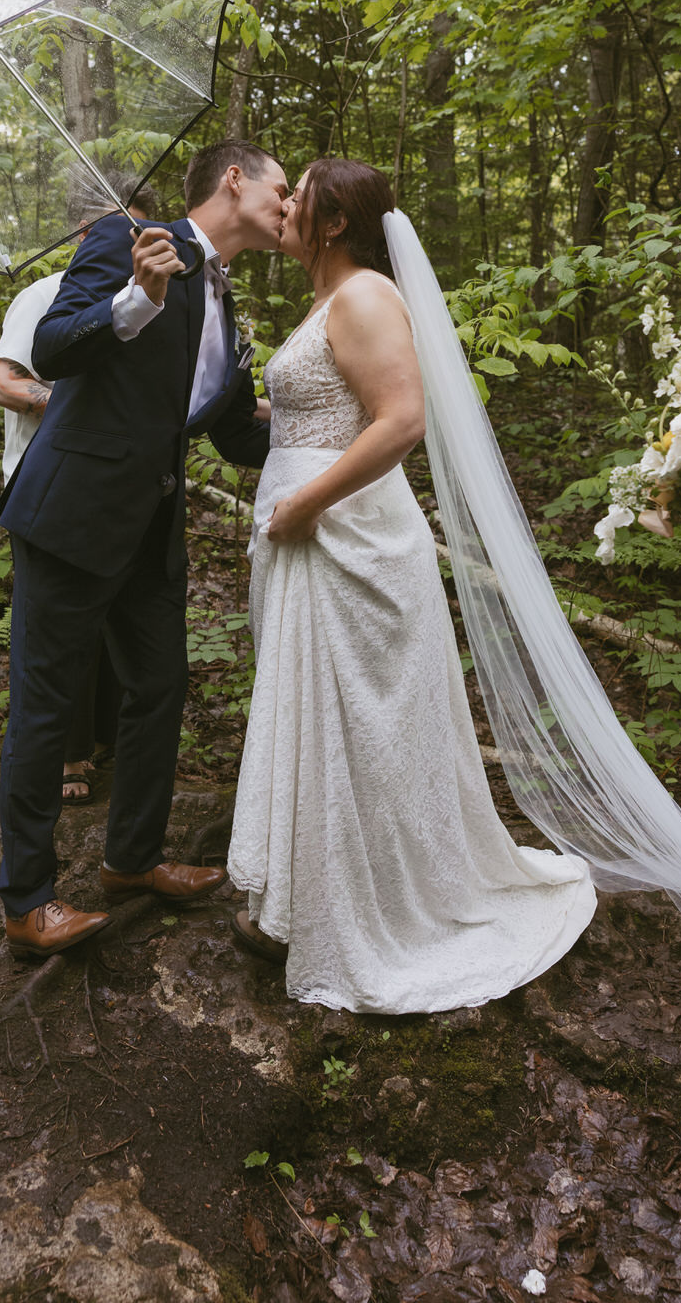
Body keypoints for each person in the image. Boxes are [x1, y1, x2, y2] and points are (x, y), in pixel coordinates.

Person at [227, 158, 597, 1011]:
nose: (283, 204)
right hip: (312, 534)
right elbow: (324, 409)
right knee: (317, 714)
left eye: (300, 194)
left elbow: (399, 420)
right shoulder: (324, 302)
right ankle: (298, 895)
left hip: (344, 536)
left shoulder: (362, 295)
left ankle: (370, 910)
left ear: (330, 225)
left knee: (362, 721)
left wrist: (301, 507)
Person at [0, 141, 287, 960]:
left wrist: (349, 435)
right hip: (71, 518)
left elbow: (232, 433)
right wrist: (136, 296)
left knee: (157, 689)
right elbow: (51, 349)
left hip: (151, 530)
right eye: (282, 187)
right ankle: (27, 903)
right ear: (236, 180)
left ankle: (132, 862)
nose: (290, 204)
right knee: (48, 706)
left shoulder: (227, 304)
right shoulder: (125, 242)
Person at [0, 191, 157, 802]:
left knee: (116, 621)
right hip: (46, 482)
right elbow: (3, 382)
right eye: (113, 231)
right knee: (60, 631)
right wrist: (77, 407)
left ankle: (103, 738)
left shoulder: (151, 301)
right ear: (84, 235)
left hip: (120, 486)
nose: (127, 241)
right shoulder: (41, 296)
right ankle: (64, 756)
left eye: (140, 230)